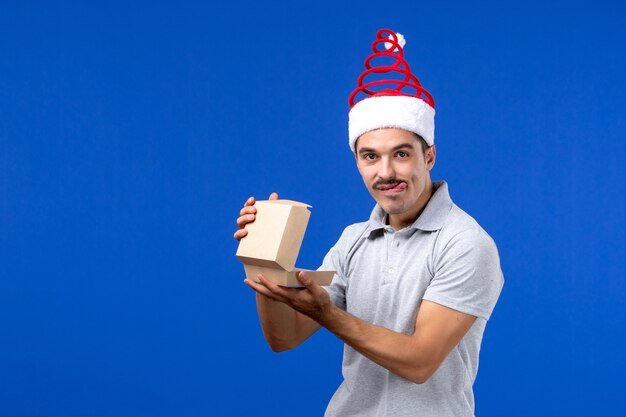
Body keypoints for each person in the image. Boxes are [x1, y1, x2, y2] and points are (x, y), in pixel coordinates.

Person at [234, 29, 504, 417]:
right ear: (357, 162)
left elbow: (419, 362)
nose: (387, 171)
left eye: (401, 154)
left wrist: (325, 313)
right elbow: (284, 336)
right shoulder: (354, 240)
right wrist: (263, 261)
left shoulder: (465, 243)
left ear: (429, 156)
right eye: (370, 157)